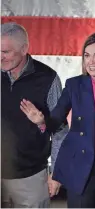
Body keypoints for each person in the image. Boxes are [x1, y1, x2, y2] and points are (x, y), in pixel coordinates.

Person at [20, 32, 95, 208]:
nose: (91, 61)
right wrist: (42, 121)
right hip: (81, 164)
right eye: (87, 55)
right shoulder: (74, 85)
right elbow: (56, 120)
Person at [1, 22, 68, 207]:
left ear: (24, 49)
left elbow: (60, 131)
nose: (0, 57)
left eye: (5, 52)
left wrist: (56, 172)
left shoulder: (48, 79)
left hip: (31, 178)